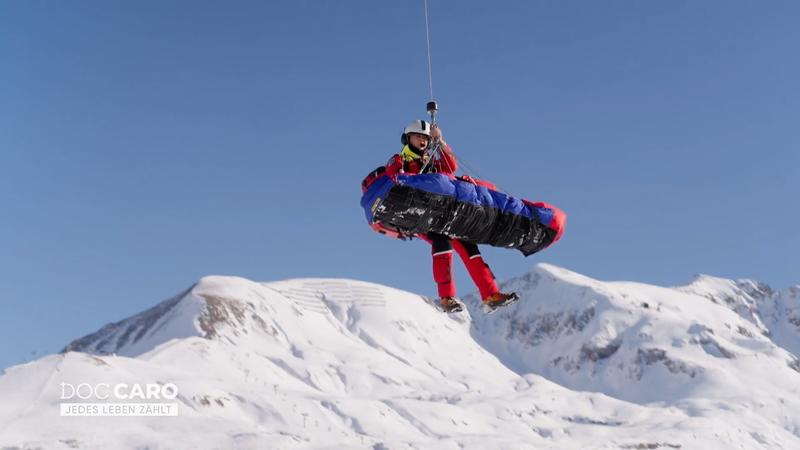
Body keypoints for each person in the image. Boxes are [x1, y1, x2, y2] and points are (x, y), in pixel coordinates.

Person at [385, 120, 518, 313]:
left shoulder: (431, 162)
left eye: (425, 138)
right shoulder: (400, 160)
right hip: (421, 216)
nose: (422, 141)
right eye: (418, 136)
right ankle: (446, 297)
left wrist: (441, 141)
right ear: (408, 138)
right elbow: (394, 178)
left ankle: (490, 294)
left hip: (443, 215)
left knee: (469, 246)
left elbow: (450, 165)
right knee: (442, 243)